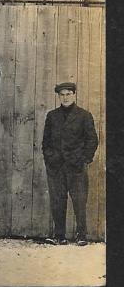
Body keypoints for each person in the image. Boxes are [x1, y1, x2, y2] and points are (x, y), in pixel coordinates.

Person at [42, 82, 98, 246]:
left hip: (76, 167)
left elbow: (92, 140)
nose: (65, 97)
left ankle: (81, 236)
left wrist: (84, 159)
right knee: (57, 200)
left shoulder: (84, 115)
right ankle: (59, 236)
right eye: (62, 95)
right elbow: (46, 142)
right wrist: (50, 159)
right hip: (56, 167)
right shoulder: (52, 116)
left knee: (79, 201)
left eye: (68, 94)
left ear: (74, 95)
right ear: (58, 96)